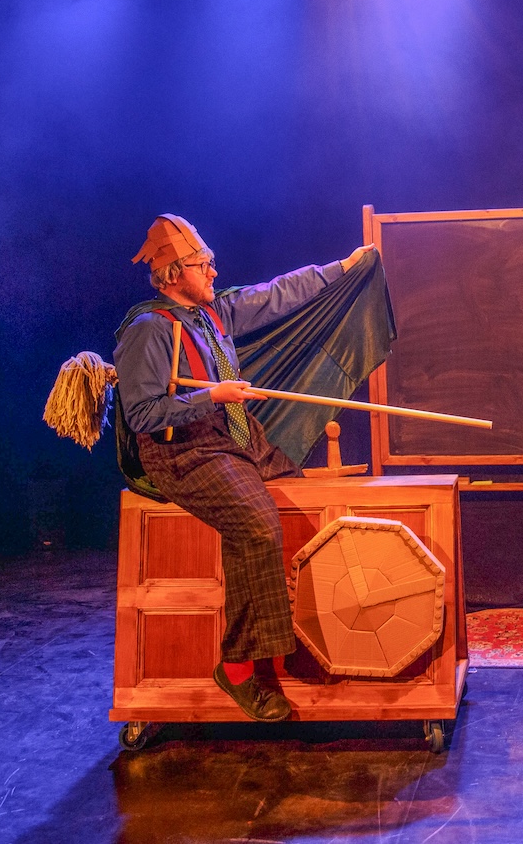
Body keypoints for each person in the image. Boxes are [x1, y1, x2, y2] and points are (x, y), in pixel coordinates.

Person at [113, 214, 373, 720]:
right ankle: (239, 669)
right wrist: (212, 395)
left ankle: (318, 639)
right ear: (172, 274)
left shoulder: (215, 315)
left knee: (304, 504)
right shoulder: (149, 331)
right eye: (202, 264)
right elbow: (141, 414)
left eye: (210, 262)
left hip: (233, 436)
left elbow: (274, 293)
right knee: (256, 526)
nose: (213, 271)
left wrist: (341, 268)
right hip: (181, 451)